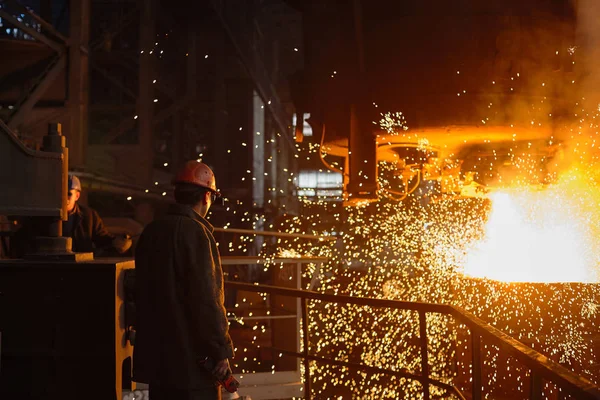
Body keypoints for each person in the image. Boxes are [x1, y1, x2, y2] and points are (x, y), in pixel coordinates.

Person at [133, 161, 234, 400]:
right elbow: (207, 299)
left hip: (159, 360)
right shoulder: (197, 233)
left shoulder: (151, 231)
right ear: (207, 196)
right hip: (193, 361)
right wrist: (221, 350)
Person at [64, 175, 132, 254]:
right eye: (61, 193)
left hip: (80, 265)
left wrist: (117, 243)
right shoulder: (49, 215)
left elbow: (102, 239)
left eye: (69, 194)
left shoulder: (89, 216)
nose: (64, 197)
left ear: (77, 196)